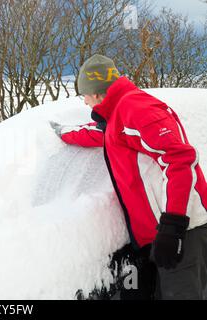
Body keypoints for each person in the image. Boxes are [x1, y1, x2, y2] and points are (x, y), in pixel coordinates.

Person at [50, 54, 207, 300]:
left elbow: (179, 159)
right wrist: (64, 133)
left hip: (184, 231)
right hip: (164, 234)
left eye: (85, 95)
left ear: (98, 92)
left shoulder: (136, 108)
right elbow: (105, 135)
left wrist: (173, 226)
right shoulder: (119, 115)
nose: (84, 102)